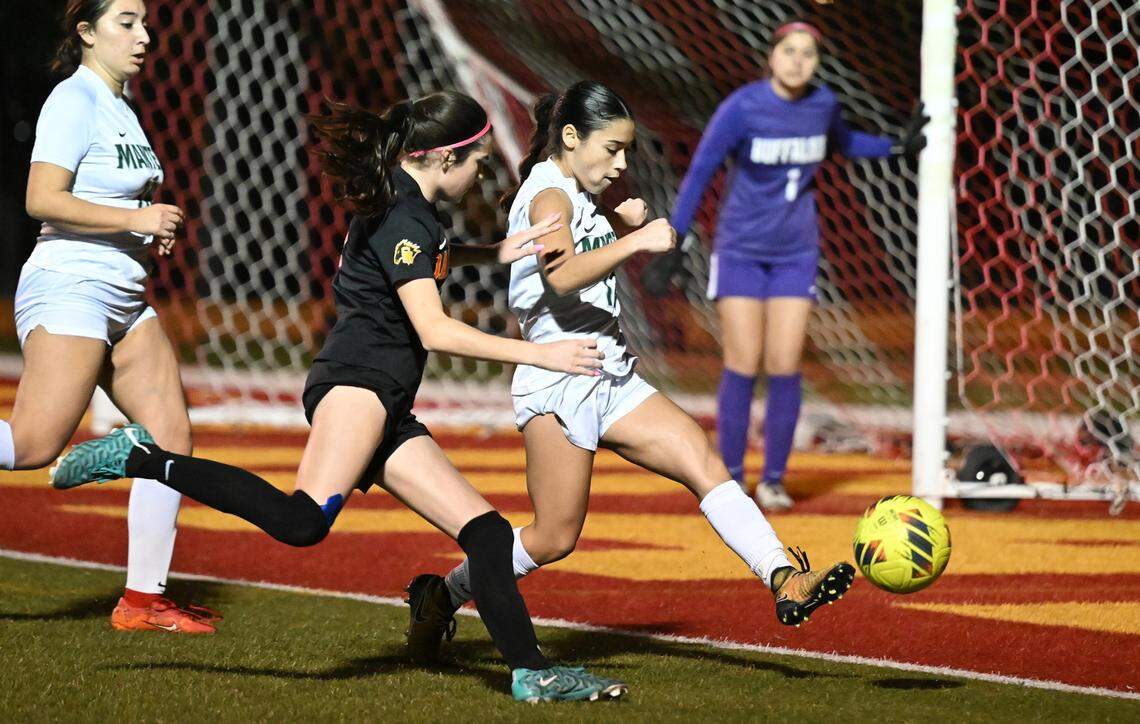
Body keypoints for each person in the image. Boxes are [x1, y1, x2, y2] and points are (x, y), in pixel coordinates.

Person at [51, 89, 629, 703]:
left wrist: (489, 253)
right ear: (440, 158)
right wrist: (541, 353)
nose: (482, 170)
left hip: (383, 397)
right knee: (302, 523)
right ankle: (139, 458)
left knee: (487, 535)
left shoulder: (405, 208)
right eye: (477, 160)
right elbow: (434, 328)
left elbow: (412, 261)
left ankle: (531, 674)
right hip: (358, 385)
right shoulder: (406, 216)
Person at [404, 81, 856, 661]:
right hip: (559, 381)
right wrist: (636, 240)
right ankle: (442, 594)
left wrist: (615, 225)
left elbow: (576, 259)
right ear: (571, 138)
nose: (620, 164)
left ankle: (782, 578)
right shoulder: (549, 196)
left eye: (625, 152)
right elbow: (562, 275)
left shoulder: (576, 189)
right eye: (611, 149)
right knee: (554, 536)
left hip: (612, 377)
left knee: (703, 459)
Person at [644, 20, 928, 511]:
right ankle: (728, 480)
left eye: (809, 54)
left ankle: (773, 479)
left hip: (796, 253)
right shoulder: (743, 107)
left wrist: (895, 145)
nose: (798, 61)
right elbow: (700, 172)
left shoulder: (822, 106)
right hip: (740, 251)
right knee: (742, 361)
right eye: (789, 51)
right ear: (772, 57)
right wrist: (675, 242)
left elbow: (845, 142)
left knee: (784, 364)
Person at [2, 0, 217, 633]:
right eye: (126, 22)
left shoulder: (120, 107)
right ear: (86, 32)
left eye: (146, 23)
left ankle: (143, 602)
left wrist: (151, 227)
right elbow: (42, 198)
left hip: (123, 294)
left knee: (172, 436)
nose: (144, 36)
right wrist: (136, 219)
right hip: (71, 287)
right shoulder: (73, 99)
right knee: (33, 445)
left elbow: (111, 197)